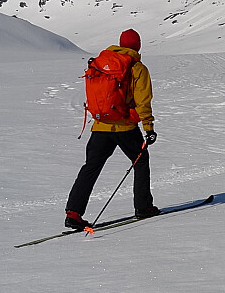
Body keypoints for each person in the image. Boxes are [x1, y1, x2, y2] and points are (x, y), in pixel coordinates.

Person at [64, 29, 157, 229]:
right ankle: (143, 207)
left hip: (100, 125)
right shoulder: (136, 67)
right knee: (140, 161)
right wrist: (148, 127)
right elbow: (143, 101)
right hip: (124, 126)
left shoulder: (102, 62)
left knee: (91, 167)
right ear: (137, 45)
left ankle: (73, 212)